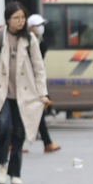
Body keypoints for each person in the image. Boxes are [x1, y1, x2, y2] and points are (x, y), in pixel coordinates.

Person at [0, 2, 49, 184]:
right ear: (8, 19)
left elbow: (39, 67)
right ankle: (2, 165)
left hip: (24, 93)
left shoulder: (30, 39)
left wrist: (42, 93)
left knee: (19, 132)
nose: (21, 21)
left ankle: (15, 172)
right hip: (1, 92)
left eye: (23, 17)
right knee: (3, 126)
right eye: (16, 18)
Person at [26, 13, 61, 152]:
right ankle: (46, 143)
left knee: (36, 112)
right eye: (39, 25)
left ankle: (47, 143)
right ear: (31, 27)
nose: (41, 28)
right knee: (30, 113)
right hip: (27, 82)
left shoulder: (41, 42)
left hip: (36, 82)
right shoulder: (25, 42)